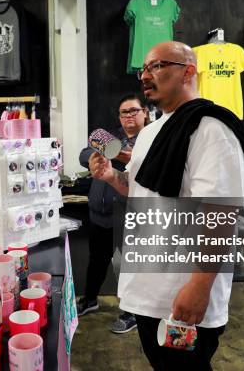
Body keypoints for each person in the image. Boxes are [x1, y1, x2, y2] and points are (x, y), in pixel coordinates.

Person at [88, 41, 244, 369]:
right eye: (144, 69)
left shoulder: (211, 129)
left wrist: (199, 285)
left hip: (181, 294)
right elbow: (138, 191)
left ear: (189, 71)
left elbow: (221, 214)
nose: (146, 76)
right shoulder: (153, 132)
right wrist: (112, 176)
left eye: (157, 66)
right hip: (149, 289)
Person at [77, 94, 148, 334]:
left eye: (133, 110)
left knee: (132, 267)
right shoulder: (111, 136)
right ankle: (90, 300)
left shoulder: (151, 140)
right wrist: (93, 158)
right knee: (97, 261)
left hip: (130, 215)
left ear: (145, 112)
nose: (128, 115)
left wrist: (124, 157)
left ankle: (132, 313)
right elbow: (84, 153)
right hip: (100, 213)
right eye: (123, 112)